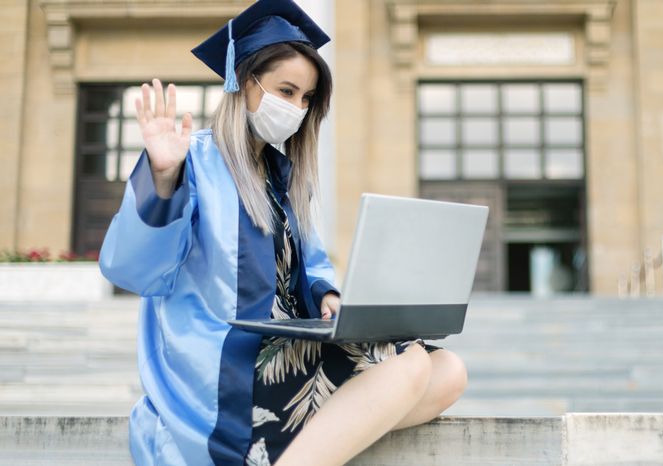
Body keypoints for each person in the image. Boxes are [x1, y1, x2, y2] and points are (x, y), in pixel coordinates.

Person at [98, 1, 468, 465]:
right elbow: (133, 270)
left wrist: (328, 296)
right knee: (410, 366)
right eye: (286, 91)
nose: (296, 108)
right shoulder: (189, 160)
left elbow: (309, 262)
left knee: (448, 370)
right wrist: (164, 176)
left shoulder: (284, 176)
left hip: (290, 344)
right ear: (244, 82)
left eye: (307, 98)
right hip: (223, 361)